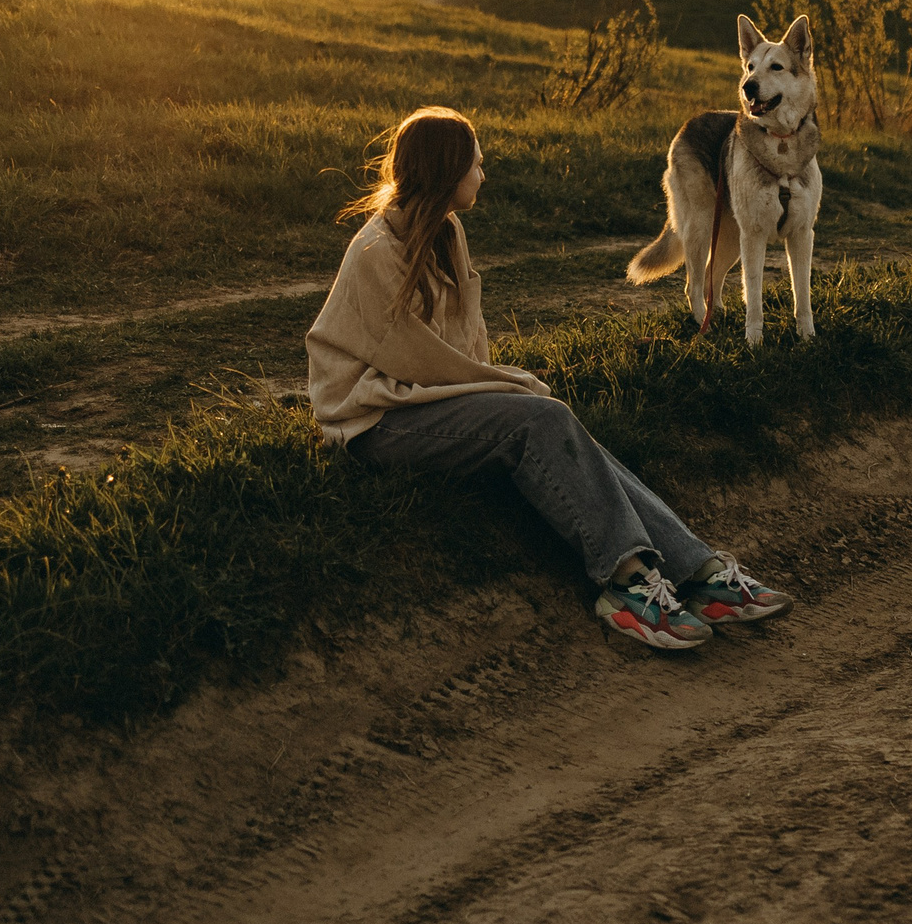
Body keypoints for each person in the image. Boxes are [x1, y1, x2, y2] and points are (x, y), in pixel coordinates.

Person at [306, 105, 793, 651]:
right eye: (476, 164)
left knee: (554, 421)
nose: (483, 175)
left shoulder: (447, 230)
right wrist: (504, 385)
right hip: (372, 420)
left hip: (419, 400)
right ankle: (627, 583)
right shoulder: (376, 250)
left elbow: (463, 344)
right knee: (540, 417)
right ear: (448, 169)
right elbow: (415, 361)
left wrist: (500, 385)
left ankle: (700, 573)